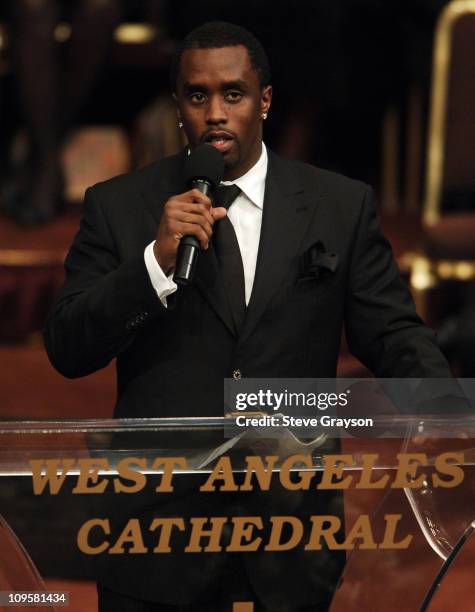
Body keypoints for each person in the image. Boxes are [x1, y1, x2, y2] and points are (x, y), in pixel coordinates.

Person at [44, 21, 453, 612]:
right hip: (158, 537)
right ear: (178, 105)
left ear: (263, 101)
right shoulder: (118, 206)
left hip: (290, 530)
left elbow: (391, 334)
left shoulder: (338, 205)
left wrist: (451, 419)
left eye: (232, 94)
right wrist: (154, 264)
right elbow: (66, 346)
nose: (215, 113)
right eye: (197, 96)